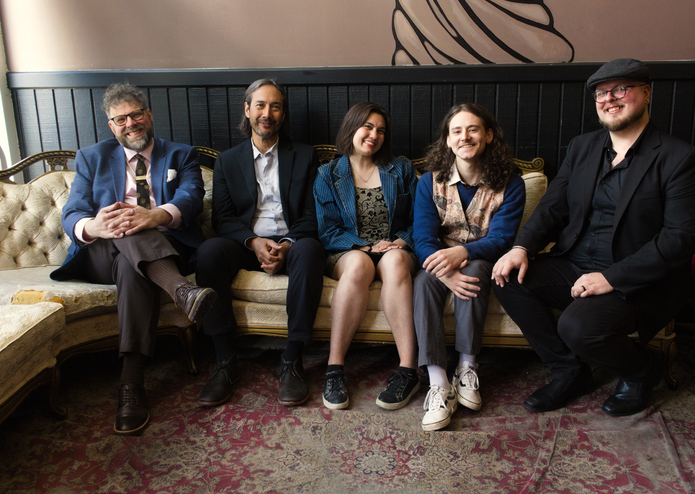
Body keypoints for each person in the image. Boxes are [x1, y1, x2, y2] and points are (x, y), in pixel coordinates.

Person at [491, 58, 695, 417]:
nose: (610, 98)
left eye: (620, 89)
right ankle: (570, 371)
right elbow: (552, 207)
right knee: (506, 277)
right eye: (601, 93)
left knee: (577, 326)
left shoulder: (680, 157)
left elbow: (681, 238)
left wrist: (611, 278)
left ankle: (642, 370)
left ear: (646, 94)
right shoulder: (583, 147)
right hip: (576, 261)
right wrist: (520, 247)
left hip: (637, 279)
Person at [51, 83, 216, 436]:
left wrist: (152, 216)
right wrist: (94, 225)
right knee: (124, 224)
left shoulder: (180, 154)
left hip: (165, 247)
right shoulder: (91, 157)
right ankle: (182, 291)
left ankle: (131, 384)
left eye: (136, 114)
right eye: (121, 119)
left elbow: (190, 198)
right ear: (111, 125)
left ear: (149, 115)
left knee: (132, 258)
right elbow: (73, 212)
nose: (131, 123)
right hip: (101, 251)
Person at [194, 78, 325, 408]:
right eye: (261, 105)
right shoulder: (227, 161)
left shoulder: (305, 156)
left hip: (291, 241)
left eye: (276, 106)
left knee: (311, 251)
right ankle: (225, 362)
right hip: (245, 243)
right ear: (248, 110)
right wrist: (253, 242)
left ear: (283, 114)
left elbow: (313, 214)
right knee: (208, 253)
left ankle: (292, 360)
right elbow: (222, 219)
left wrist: (287, 244)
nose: (268, 113)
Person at [413, 103, 526, 431]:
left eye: (473, 129)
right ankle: (437, 382)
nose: (465, 137)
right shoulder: (429, 182)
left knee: (476, 274)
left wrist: (460, 254)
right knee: (422, 283)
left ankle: (467, 368)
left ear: (488, 135)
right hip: (437, 261)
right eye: (457, 131)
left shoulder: (510, 183)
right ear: (448, 141)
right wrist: (444, 271)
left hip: (480, 258)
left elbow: (502, 239)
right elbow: (422, 236)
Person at [313, 102, 420, 410]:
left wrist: (401, 241)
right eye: (368, 127)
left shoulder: (400, 168)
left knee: (396, 261)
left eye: (381, 130)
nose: (374, 135)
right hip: (349, 251)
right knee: (360, 265)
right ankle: (334, 369)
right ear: (352, 128)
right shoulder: (328, 174)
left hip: (394, 249)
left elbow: (419, 218)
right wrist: (362, 247)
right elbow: (327, 230)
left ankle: (408, 370)